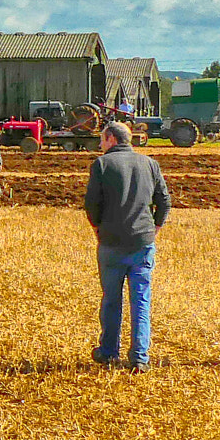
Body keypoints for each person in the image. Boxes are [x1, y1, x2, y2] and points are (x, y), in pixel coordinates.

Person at [83, 121, 171, 371]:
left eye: (102, 139)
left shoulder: (102, 164)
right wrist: (155, 228)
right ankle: (140, 357)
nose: (100, 144)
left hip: (111, 242)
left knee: (111, 300)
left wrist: (98, 227)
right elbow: (164, 200)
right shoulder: (150, 163)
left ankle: (109, 352)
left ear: (111, 138)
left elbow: (91, 204)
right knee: (141, 300)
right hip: (142, 242)